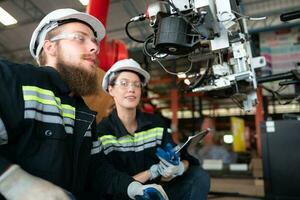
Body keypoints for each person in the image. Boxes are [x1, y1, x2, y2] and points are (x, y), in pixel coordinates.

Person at [0, 8, 168, 200]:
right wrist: (12, 181)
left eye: (94, 41)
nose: (95, 48)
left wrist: (132, 187)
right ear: (50, 47)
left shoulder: (82, 112)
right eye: (80, 38)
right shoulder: (12, 79)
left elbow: (96, 170)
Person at [97, 58, 211, 200]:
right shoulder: (102, 132)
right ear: (111, 89)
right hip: (124, 195)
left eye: (137, 85)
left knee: (198, 176)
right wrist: (152, 172)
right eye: (124, 83)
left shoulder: (155, 123)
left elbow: (182, 157)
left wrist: (177, 167)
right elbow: (108, 181)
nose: (131, 89)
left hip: (157, 194)